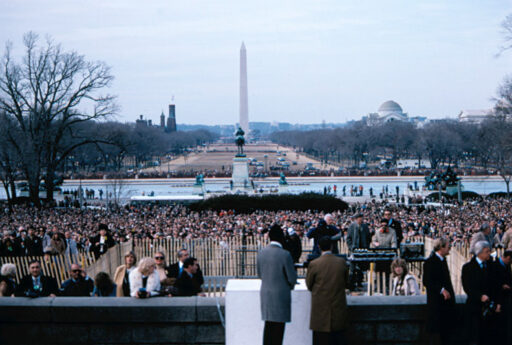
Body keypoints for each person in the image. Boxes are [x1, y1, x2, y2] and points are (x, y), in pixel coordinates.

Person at [257, 224, 297, 345]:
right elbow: (292, 278)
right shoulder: (285, 254)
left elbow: (260, 275)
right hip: (281, 295)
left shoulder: (261, 253)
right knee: (278, 332)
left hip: (266, 294)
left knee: (268, 329)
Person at [306, 236, 349, 345]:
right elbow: (346, 282)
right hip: (337, 308)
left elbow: (309, 285)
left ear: (319, 247)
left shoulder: (314, 264)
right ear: (332, 246)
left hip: (320, 310)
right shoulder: (341, 262)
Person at [462, 241, 500, 345]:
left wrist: (497, 303)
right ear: (480, 253)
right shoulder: (468, 268)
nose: (489, 253)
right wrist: (479, 296)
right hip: (475, 309)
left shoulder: (492, 266)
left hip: (491, 309)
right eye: (487, 251)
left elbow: (496, 286)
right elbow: (468, 288)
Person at [423, 237, 456, 345]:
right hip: (436, 306)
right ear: (441, 247)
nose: (450, 248)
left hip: (445, 306)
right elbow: (427, 281)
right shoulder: (430, 262)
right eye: (448, 246)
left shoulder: (442, 260)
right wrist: (441, 290)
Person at [489, 250, 512, 343]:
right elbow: (492, 282)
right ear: (508, 258)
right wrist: (501, 286)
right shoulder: (494, 266)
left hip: (506, 298)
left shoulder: (507, 266)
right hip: (497, 298)